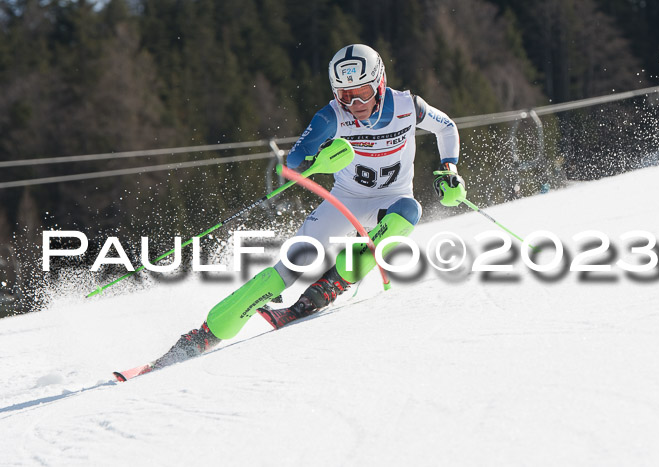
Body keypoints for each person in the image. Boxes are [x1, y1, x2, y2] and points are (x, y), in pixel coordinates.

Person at [149, 44, 466, 369]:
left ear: (380, 84)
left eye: (362, 93)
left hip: (392, 199)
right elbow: (296, 160)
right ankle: (203, 335)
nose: (355, 104)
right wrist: (318, 160)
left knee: (410, 212)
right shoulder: (330, 116)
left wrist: (449, 170)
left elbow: (447, 127)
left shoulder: (408, 106)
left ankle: (335, 282)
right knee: (290, 265)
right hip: (344, 200)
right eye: (345, 95)